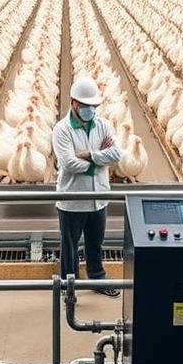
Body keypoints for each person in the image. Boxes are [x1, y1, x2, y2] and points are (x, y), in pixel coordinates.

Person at [52, 76, 122, 297]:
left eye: (93, 105)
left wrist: (89, 155)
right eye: (85, 105)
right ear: (73, 102)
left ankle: (97, 278)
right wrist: (99, 162)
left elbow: (116, 154)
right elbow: (68, 163)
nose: (90, 109)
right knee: (70, 246)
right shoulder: (62, 129)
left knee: (95, 243)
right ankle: (69, 285)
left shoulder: (103, 125)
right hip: (72, 198)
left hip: (98, 197)